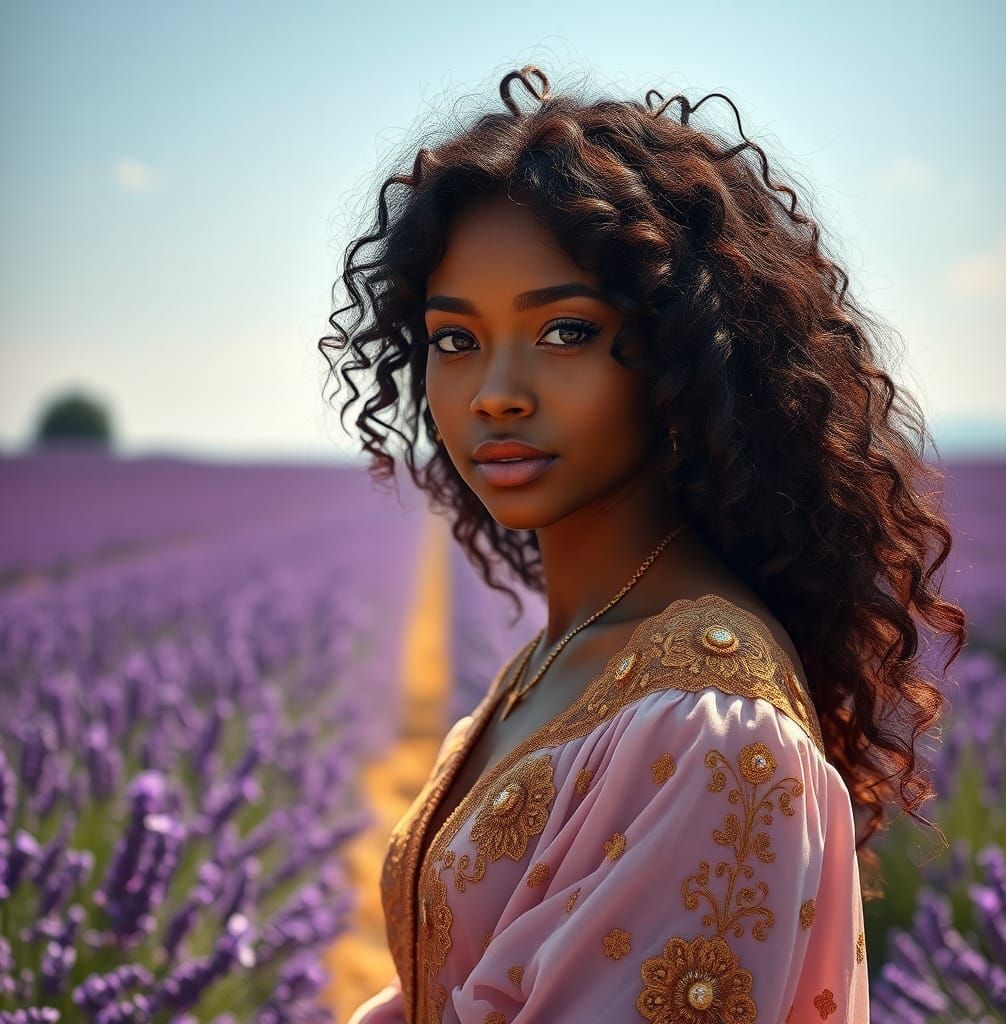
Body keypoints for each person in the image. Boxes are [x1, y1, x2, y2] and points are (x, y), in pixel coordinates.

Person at [323, 64, 966, 1023]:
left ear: (684, 356)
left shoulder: (710, 729)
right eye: (455, 341)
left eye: (564, 332)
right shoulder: (566, 657)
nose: (495, 392)